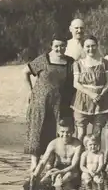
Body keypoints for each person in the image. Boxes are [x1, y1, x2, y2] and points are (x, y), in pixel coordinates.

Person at [23, 33, 75, 173]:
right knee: (37, 129)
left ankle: (49, 161)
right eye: (57, 46)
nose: (60, 49)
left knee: (54, 130)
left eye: (63, 46)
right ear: (51, 46)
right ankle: (34, 162)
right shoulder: (43, 59)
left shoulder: (70, 62)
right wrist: (30, 90)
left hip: (60, 102)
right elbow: (25, 71)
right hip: (40, 101)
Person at [71, 35, 108, 144]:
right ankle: (79, 157)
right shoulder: (78, 64)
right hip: (82, 100)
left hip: (100, 100)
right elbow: (76, 83)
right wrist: (91, 94)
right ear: (83, 47)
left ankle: (94, 158)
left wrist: (101, 95)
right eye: (87, 46)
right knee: (81, 132)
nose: (91, 49)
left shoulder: (104, 62)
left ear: (97, 46)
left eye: (93, 46)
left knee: (96, 133)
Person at [31, 119, 83, 187]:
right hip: (58, 168)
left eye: (68, 132)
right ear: (58, 131)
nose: (65, 134)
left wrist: (60, 172)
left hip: (72, 171)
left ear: (73, 131)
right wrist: (35, 175)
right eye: (62, 132)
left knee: (66, 177)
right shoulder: (53, 143)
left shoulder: (77, 144)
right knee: (42, 181)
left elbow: (74, 165)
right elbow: (43, 162)